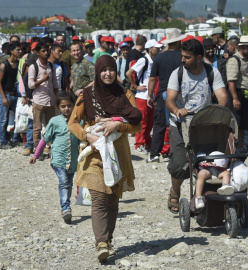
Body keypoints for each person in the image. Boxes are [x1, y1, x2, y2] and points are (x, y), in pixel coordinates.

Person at [68, 55, 142, 263]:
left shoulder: (125, 94)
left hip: (117, 154)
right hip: (94, 153)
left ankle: (108, 241)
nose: (107, 73)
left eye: (111, 69)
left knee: (112, 198)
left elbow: (137, 124)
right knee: (99, 198)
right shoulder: (87, 95)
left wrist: (118, 125)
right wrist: (87, 135)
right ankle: (101, 242)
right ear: (97, 72)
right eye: (103, 70)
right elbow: (73, 123)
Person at [165, 39, 228, 214]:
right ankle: (175, 191)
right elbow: (169, 99)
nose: (182, 60)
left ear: (199, 58)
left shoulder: (211, 72)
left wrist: (219, 110)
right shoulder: (177, 74)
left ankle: (203, 194)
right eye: (182, 56)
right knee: (179, 164)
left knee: (208, 162)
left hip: (204, 125)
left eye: (187, 57)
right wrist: (177, 109)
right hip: (179, 124)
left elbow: (222, 96)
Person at [30, 91, 79, 223]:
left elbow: (82, 139)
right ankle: (66, 208)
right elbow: (45, 139)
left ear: (74, 105)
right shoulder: (54, 121)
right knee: (63, 182)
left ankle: (65, 207)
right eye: (63, 106)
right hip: (58, 159)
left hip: (73, 160)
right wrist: (36, 155)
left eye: (69, 105)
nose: (67, 109)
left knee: (68, 184)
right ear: (58, 107)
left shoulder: (77, 120)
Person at [146, 28, 186, 163]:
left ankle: (154, 154)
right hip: (180, 95)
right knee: (181, 123)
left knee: (159, 125)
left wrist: (150, 95)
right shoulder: (183, 56)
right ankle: (181, 153)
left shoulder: (159, 57)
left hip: (163, 94)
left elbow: (152, 79)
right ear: (179, 41)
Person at [126, 39, 162, 154]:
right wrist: (136, 86)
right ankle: (139, 144)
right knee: (143, 122)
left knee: (150, 122)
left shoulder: (154, 60)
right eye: (157, 48)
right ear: (150, 49)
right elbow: (129, 73)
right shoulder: (143, 60)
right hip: (142, 97)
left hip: (150, 97)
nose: (159, 49)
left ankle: (146, 143)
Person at [28, 41, 58, 154]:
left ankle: (51, 149)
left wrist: (57, 98)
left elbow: (55, 83)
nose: (46, 53)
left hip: (50, 100)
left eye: (47, 50)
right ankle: (37, 150)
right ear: (37, 52)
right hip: (39, 100)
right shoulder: (33, 67)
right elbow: (30, 84)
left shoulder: (51, 66)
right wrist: (42, 80)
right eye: (43, 51)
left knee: (51, 126)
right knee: (37, 128)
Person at [226, 35, 248, 149]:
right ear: (240, 47)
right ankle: (233, 150)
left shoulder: (246, 60)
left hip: (244, 94)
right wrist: (235, 98)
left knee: (243, 125)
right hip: (237, 94)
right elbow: (231, 80)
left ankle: (240, 149)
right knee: (235, 125)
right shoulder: (235, 59)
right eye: (245, 47)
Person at [0, 41, 23, 149]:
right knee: (3, 119)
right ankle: (3, 141)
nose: (20, 52)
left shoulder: (19, 64)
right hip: (6, 94)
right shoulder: (4, 65)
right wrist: (3, 97)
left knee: (18, 117)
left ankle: (15, 139)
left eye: (21, 50)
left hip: (16, 95)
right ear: (12, 51)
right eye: (18, 50)